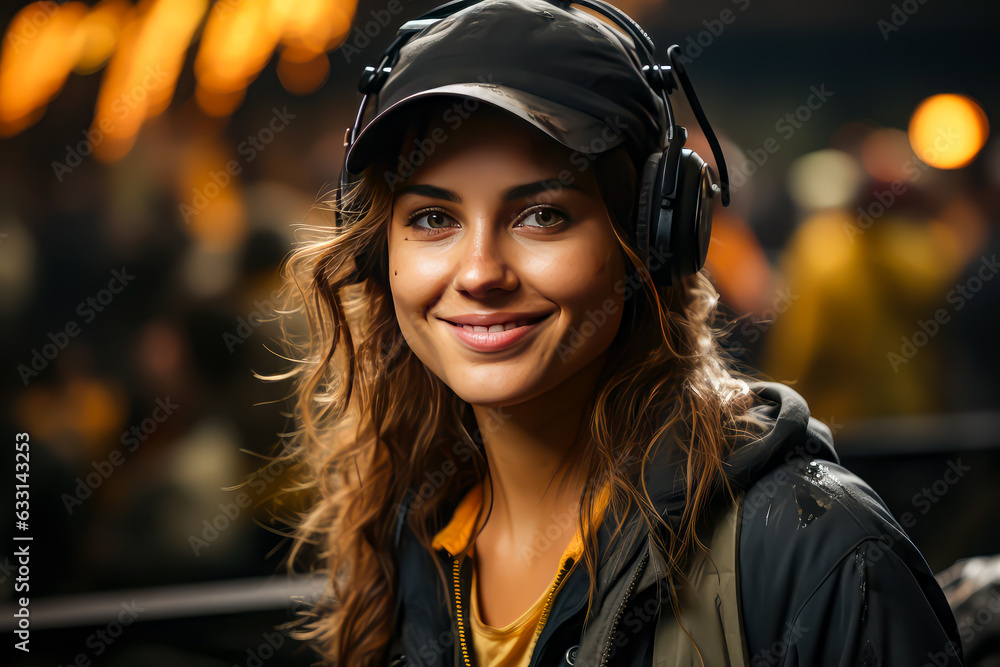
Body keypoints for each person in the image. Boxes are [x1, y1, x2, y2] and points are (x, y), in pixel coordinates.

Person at [272, 1, 965, 665]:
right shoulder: (408, 536)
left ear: (654, 242)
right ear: (375, 253)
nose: (479, 271)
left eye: (542, 215)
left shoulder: (817, 555)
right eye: (432, 219)